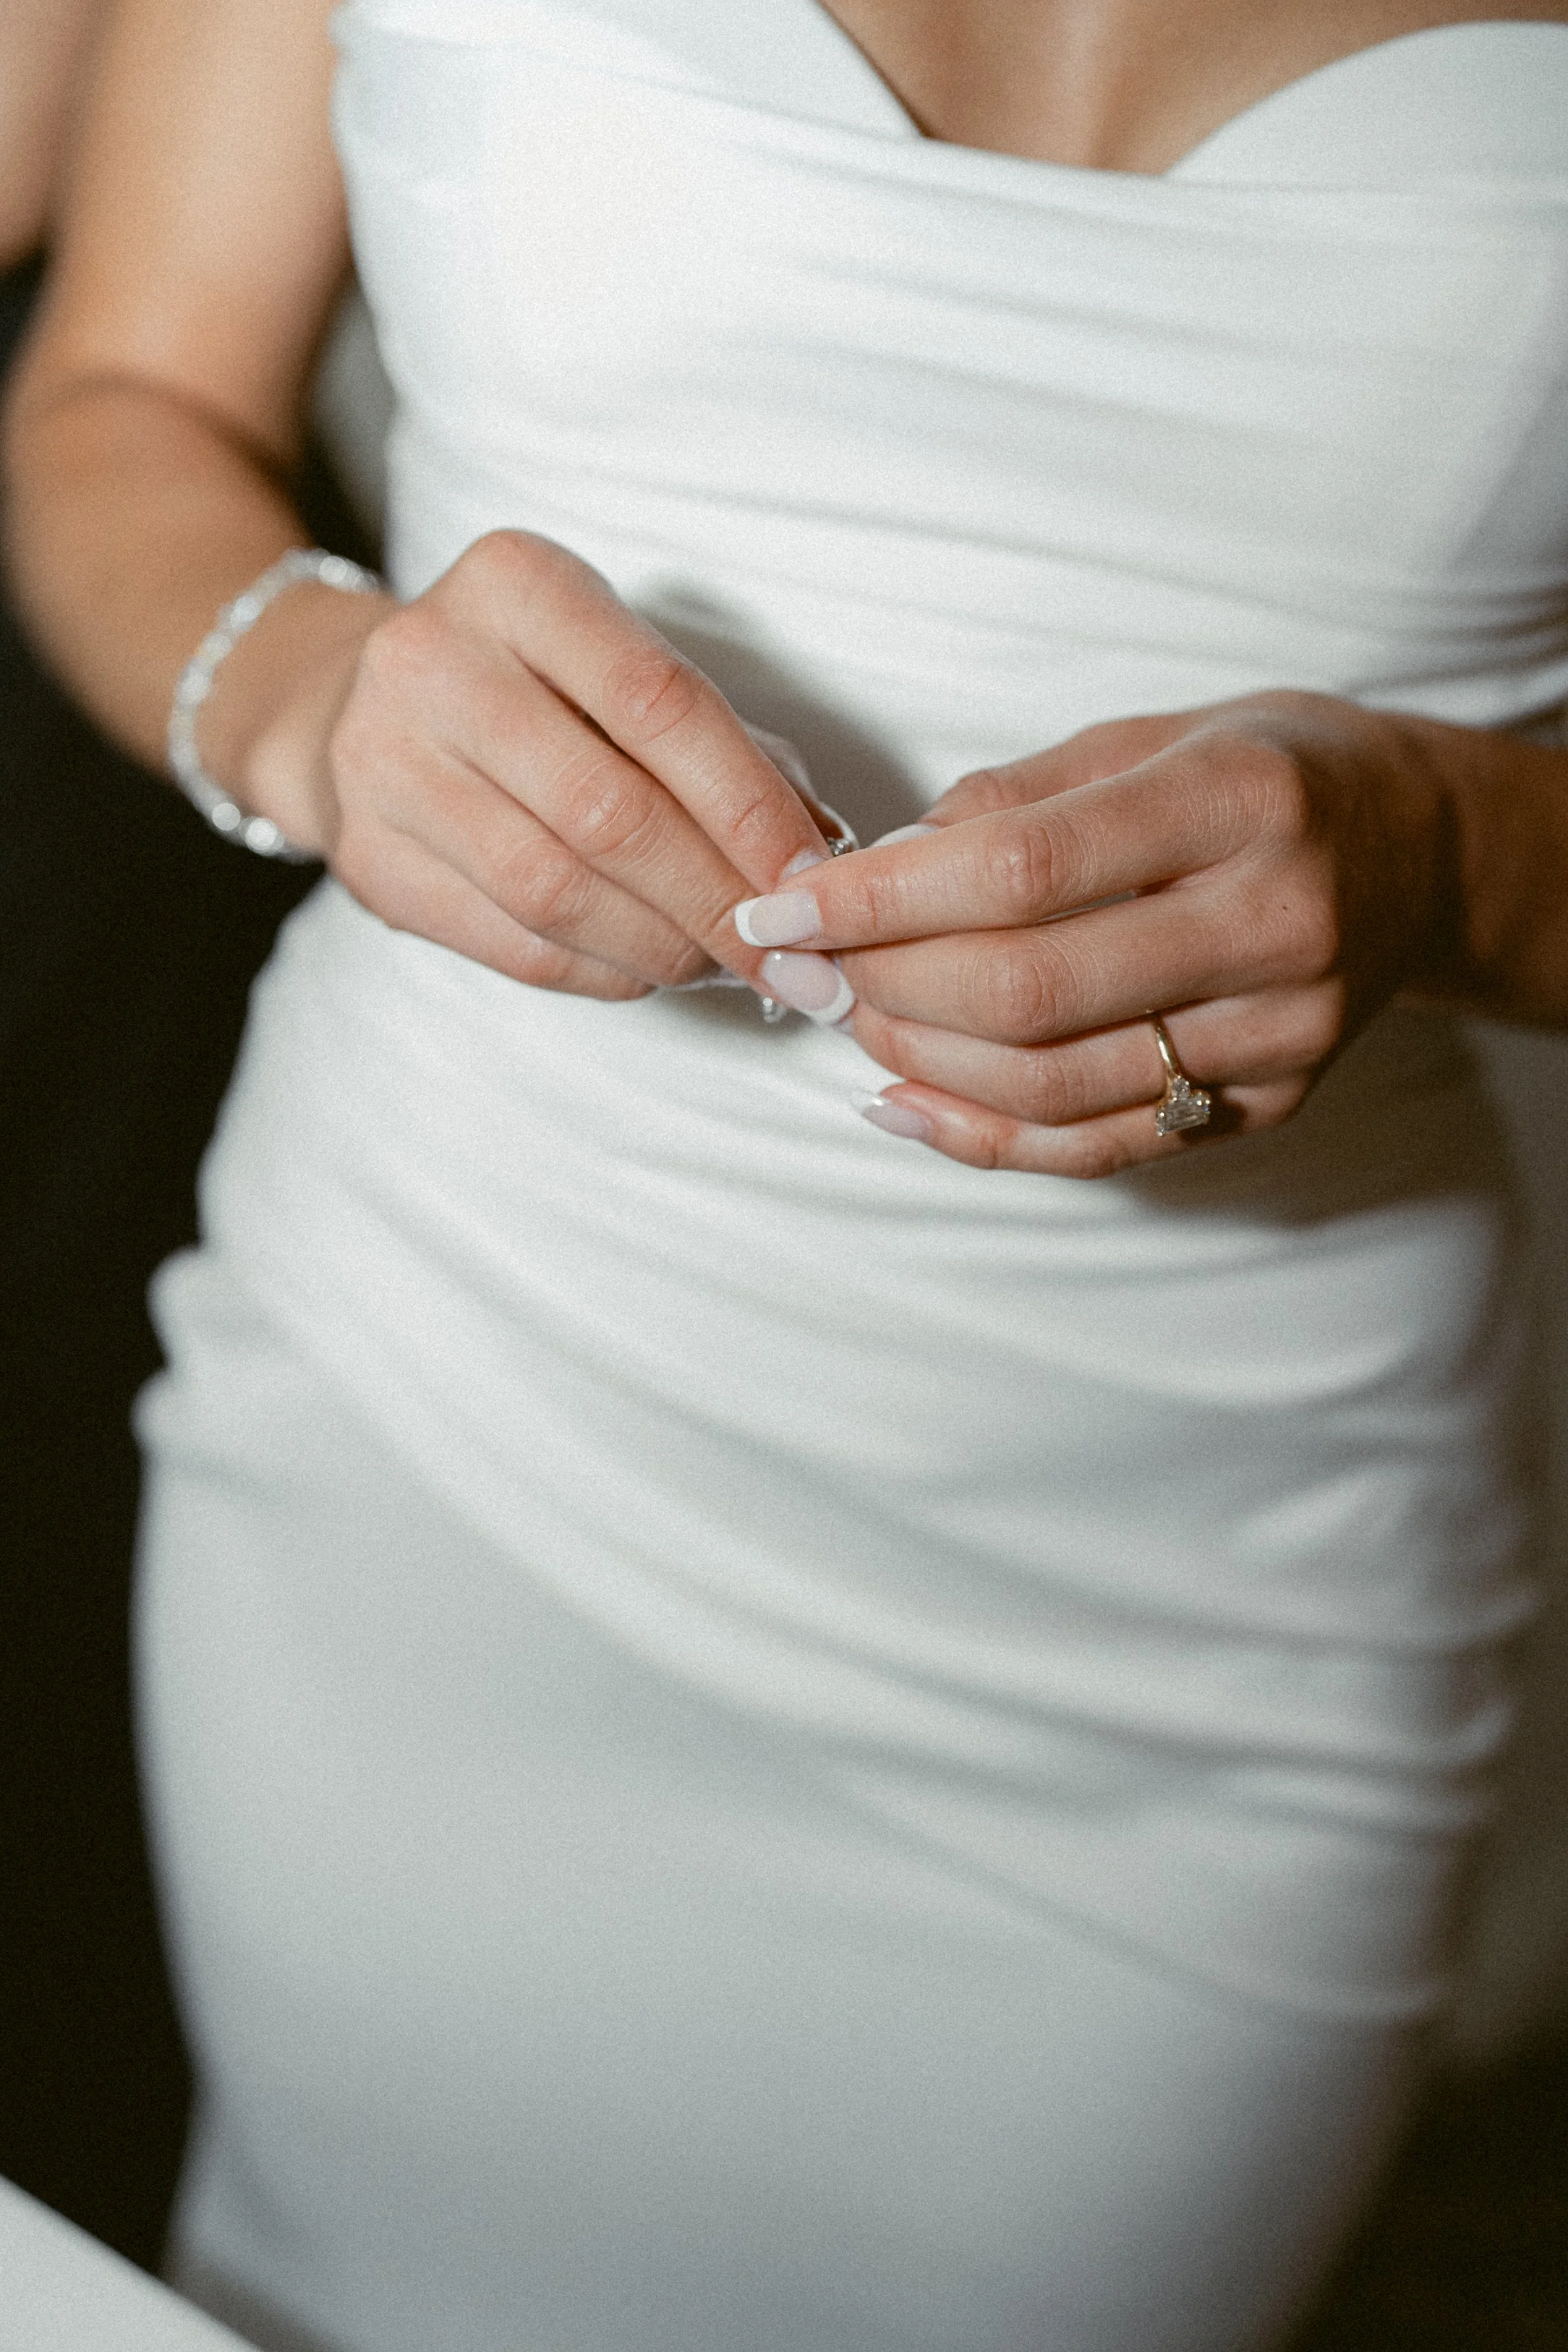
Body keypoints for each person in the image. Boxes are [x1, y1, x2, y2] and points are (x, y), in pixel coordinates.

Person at [6, 2, 1568, 2345]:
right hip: (439, 1422)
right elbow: (124, 402)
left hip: (1198, 1605)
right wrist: (321, 705)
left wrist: (1438, 854)